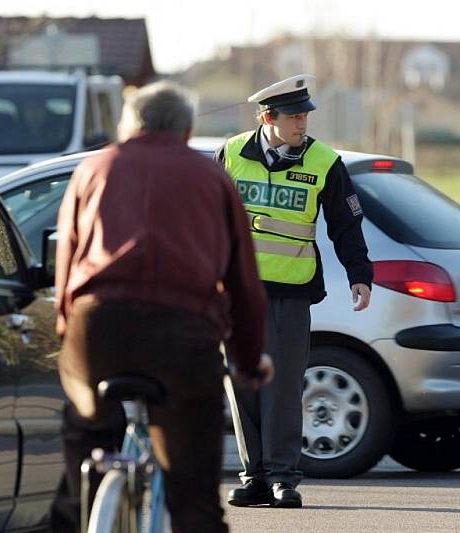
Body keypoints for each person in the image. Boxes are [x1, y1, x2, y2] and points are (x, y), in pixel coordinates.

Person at [51, 80, 274, 533]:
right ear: (187, 131)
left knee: (84, 445)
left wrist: (66, 334)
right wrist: (248, 361)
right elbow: (244, 286)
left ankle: (81, 504)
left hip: (98, 330)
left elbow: (66, 267)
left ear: (128, 125)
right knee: (194, 497)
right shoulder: (213, 178)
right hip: (184, 335)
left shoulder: (94, 169)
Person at [215, 74, 373, 509]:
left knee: (282, 387)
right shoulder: (230, 154)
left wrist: (360, 272)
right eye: (294, 116)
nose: (303, 122)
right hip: (237, 293)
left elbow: (346, 223)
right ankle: (255, 478)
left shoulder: (323, 161)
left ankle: (284, 477)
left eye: (305, 114)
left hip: (292, 290)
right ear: (268, 117)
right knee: (242, 384)